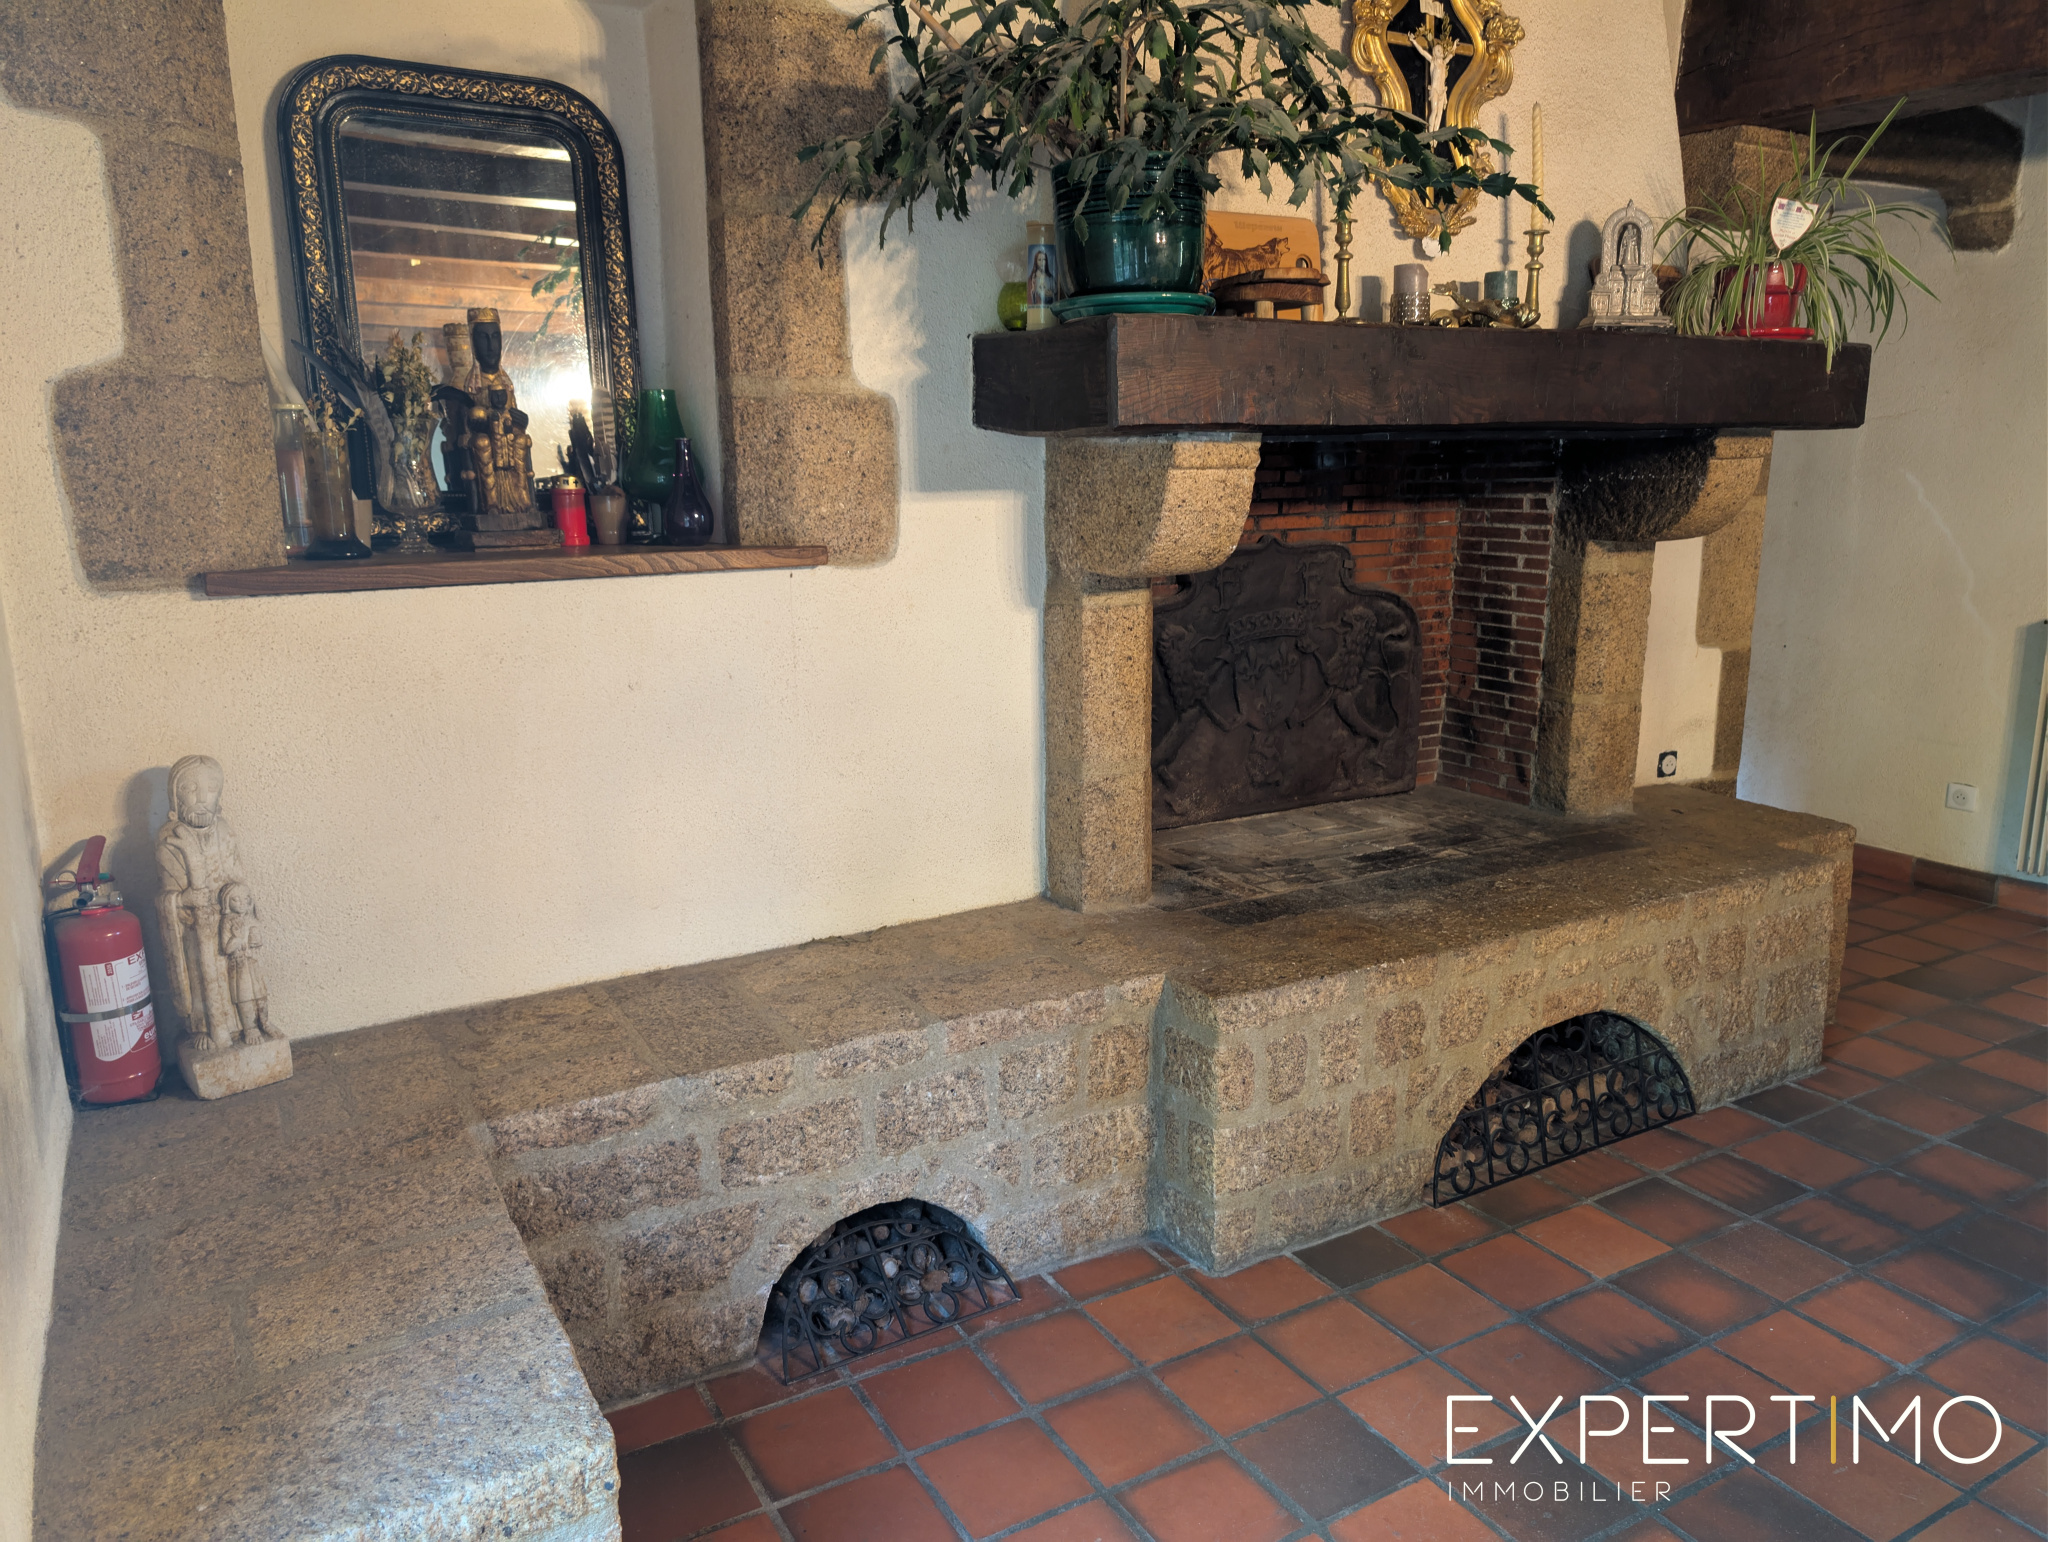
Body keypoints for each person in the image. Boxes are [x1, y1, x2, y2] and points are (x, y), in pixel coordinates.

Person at [155, 755, 246, 1052]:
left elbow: (236, 873)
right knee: (199, 973)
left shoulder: (224, 830)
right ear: (175, 797)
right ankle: (203, 1026)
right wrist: (182, 900)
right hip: (192, 926)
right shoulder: (169, 837)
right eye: (191, 788)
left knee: (236, 974)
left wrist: (237, 897)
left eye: (210, 788)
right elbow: (167, 895)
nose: (202, 798)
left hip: (227, 917)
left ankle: (243, 1025)